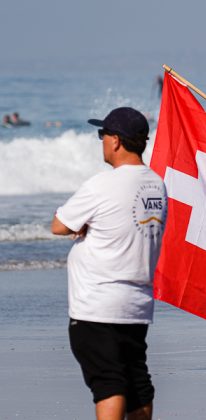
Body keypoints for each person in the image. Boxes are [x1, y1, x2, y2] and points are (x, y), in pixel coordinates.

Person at [50, 107, 167, 419]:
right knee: (137, 384)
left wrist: (84, 226)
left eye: (103, 135)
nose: (101, 141)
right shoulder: (156, 185)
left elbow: (59, 224)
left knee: (110, 385)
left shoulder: (102, 185)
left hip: (97, 304)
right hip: (137, 304)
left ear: (116, 141)